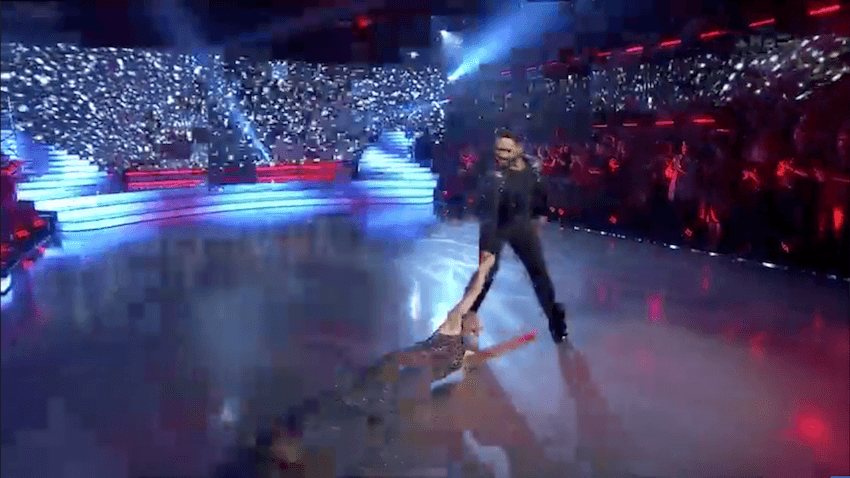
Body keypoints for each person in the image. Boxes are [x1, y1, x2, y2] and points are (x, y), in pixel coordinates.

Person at [434, 128, 567, 343]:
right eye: (499, 150)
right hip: (495, 226)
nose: (501, 155)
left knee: (539, 275)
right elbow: (489, 212)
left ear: (518, 149)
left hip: (521, 225)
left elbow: (540, 195)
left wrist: (540, 216)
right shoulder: (492, 173)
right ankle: (464, 318)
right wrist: (488, 249)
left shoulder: (532, 170)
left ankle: (556, 322)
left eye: (506, 150)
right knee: (486, 274)